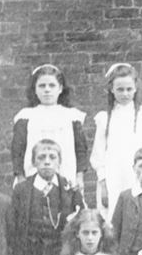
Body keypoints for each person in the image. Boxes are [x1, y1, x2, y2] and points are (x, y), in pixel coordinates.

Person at [11, 139, 84, 255]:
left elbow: (81, 222)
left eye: (52, 157)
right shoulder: (22, 190)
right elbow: (14, 227)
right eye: (41, 157)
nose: (47, 161)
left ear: (59, 161)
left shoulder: (69, 189)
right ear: (34, 162)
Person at [89, 63, 142, 222]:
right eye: (120, 89)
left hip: (141, 175)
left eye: (129, 89)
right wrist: (103, 185)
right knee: (114, 217)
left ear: (135, 88)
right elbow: (98, 156)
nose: (125, 93)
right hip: (113, 176)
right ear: (111, 89)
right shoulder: (105, 118)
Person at [11, 63, 88, 191]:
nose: (47, 90)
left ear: (60, 88)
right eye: (42, 86)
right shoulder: (25, 116)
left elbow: (80, 149)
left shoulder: (72, 116)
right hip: (32, 176)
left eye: (52, 85)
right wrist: (20, 178)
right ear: (34, 89)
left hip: (66, 173)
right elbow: (17, 150)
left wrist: (79, 177)